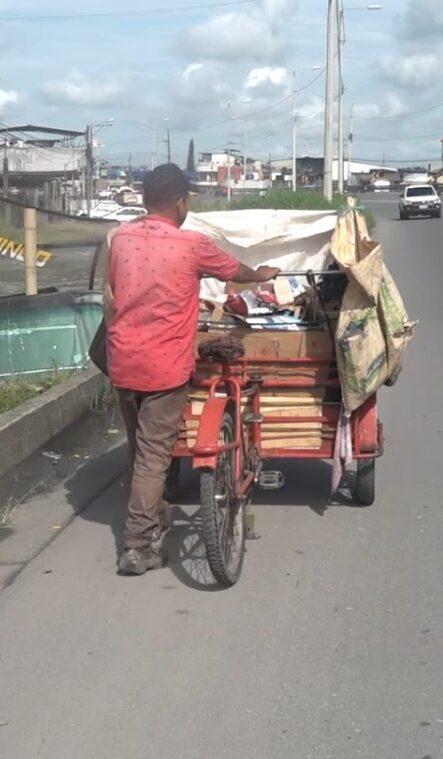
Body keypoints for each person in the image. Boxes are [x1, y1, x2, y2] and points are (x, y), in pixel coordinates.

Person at [105, 163, 279, 576]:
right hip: (164, 366)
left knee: (139, 448)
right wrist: (261, 275)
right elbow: (235, 272)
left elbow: (113, 295)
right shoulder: (192, 245)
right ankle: (137, 545)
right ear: (181, 203)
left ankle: (154, 515)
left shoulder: (119, 239)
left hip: (122, 360)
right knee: (153, 455)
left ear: (145, 199)